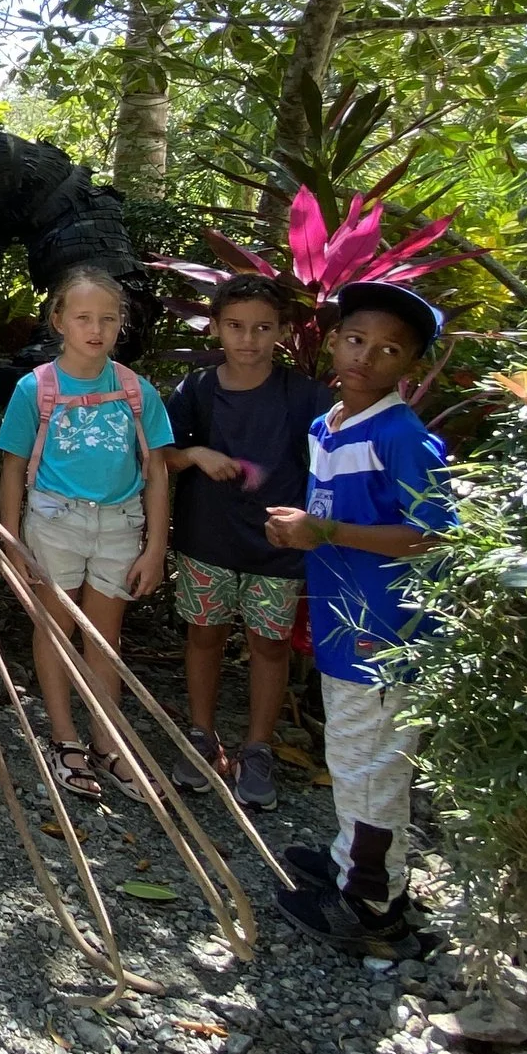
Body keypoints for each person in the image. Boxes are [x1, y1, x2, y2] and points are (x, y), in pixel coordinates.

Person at [263, 280, 454, 956]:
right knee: (350, 752)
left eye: (388, 349)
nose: (365, 357)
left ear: (408, 365)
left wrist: (325, 531)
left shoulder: (404, 437)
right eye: (354, 339)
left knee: (372, 760)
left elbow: (433, 534)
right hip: (343, 621)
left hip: (385, 630)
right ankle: (355, 861)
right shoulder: (330, 424)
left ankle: (373, 902)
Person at [0, 267, 176, 800]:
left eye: (108, 319)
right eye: (83, 318)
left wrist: (157, 547)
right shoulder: (35, 388)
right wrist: (10, 541)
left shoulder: (137, 390)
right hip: (54, 522)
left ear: (122, 325)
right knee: (55, 628)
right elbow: (12, 467)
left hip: (121, 525)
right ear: (59, 321)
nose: (95, 329)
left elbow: (158, 470)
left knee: (103, 636)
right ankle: (65, 737)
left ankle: (108, 740)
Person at [163, 275, 330, 810]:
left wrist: (312, 524)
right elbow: (162, 452)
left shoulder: (305, 396)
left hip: (277, 546)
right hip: (205, 539)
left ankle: (257, 748)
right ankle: (201, 735)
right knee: (204, 636)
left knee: (270, 645)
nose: (248, 339)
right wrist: (196, 456)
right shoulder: (196, 389)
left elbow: (327, 468)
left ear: (282, 331)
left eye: (262, 328)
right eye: (235, 326)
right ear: (214, 327)